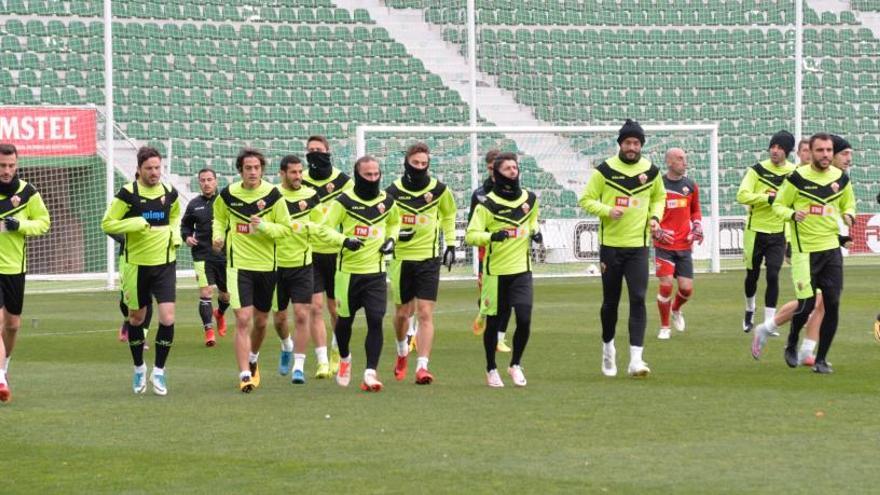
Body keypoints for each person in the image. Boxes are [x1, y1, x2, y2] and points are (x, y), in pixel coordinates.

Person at [752, 134, 854, 365]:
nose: (825, 154)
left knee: (829, 304)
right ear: (809, 152)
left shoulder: (841, 180)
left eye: (829, 150)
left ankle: (817, 357)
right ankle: (787, 339)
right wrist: (791, 216)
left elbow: (846, 205)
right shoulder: (796, 178)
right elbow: (779, 205)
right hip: (803, 251)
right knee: (808, 304)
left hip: (831, 251)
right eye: (820, 150)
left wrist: (849, 218)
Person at [578, 119, 665, 377]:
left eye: (636, 143)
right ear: (620, 144)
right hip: (611, 249)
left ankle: (636, 360)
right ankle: (608, 349)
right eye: (627, 142)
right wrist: (606, 210)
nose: (632, 147)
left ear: (641, 145)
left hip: (638, 247)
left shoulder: (651, 172)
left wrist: (655, 217)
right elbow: (586, 199)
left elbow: (659, 197)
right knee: (611, 303)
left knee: (638, 299)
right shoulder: (604, 171)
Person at [316, 155, 400, 392]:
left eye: (376, 174)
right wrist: (344, 240)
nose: (373, 179)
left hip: (375, 273)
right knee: (344, 322)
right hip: (347, 274)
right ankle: (344, 359)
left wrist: (391, 240)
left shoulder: (388, 201)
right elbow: (324, 229)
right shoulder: (343, 201)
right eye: (368, 175)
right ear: (357, 175)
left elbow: (395, 223)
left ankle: (370, 372)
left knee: (376, 320)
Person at [102, 146, 180, 396]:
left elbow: (176, 215)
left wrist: (175, 235)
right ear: (139, 169)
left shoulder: (170, 192)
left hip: (165, 264)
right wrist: (134, 223)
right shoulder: (127, 193)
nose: (154, 172)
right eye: (149, 168)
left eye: (158, 167)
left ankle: (159, 371)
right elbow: (107, 223)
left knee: (168, 318)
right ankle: (139, 368)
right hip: (137, 266)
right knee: (136, 318)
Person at [212, 148, 292, 392]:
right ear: (240, 170)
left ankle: (253, 359)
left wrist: (265, 227)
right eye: (248, 168)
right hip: (239, 267)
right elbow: (220, 218)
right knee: (243, 319)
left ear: (263, 170)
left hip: (267, 267)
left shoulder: (273, 195)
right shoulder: (227, 195)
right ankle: (244, 374)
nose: (253, 172)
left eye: (257, 168)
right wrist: (218, 236)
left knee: (260, 322)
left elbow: (286, 230)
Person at [466, 152, 540, 387]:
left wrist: (536, 231)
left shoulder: (530, 198)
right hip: (495, 273)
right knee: (495, 323)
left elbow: (531, 221)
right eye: (507, 168)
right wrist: (491, 236)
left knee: (525, 318)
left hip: (522, 270)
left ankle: (515, 364)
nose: (512, 171)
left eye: (514, 167)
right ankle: (491, 367)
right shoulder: (486, 204)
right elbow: (470, 236)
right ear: (497, 174)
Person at [385, 142, 456, 384]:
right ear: (406, 163)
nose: (419, 167)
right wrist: (393, 236)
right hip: (402, 259)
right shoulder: (392, 191)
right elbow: (383, 219)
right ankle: (402, 351)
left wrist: (452, 244)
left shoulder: (439, 190)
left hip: (428, 258)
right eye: (415, 163)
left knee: (425, 313)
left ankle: (422, 367)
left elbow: (448, 214)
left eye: (424, 164)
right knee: (403, 314)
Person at [0, 143, 51, 403]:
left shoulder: (28, 192)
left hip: (14, 268)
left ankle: (4, 368)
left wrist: (20, 225)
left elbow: (43, 223)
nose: (6, 170)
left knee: (12, 325)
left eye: (10, 166)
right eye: (2, 166)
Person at [736, 131, 797, 333]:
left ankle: (769, 323)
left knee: (773, 275)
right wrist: (767, 199)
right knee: (752, 276)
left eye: (780, 148)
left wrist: (789, 237)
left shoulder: (793, 172)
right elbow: (742, 195)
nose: (775, 150)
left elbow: (794, 203)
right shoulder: (756, 170)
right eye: (773, 146)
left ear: (787, 151)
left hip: (778, 234)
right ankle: (749, 309)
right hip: (755, 232)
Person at [301, 136, 353, 374]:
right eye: (310, 150)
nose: (314, 154)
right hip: (311, 252)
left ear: (328, 151)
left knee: (335, 309)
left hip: (337, 253)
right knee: (315, 306)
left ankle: (337, 352)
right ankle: (321, 360)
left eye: (318, 150)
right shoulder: (300, 179)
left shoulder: (343, 181)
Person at [271, 155, 324, 383]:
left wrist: (305, 227)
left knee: (302, 314)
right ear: (282, 173)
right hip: (274, 266)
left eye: (300, 172)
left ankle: (299, 366)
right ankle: (286, 345)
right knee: (280, 319)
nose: (298, 176)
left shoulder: (311, 195)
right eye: (293, 172)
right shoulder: (271, 195)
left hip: (303, 265)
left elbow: (321, 224)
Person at [654, 148, 702, 340]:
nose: (685, 162)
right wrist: (656, 230)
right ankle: (664, 327)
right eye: (680, 159)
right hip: (663, 244)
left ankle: (676, 309)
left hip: (683, 245)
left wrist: (697, 225)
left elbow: (695, 210)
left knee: (686, 289)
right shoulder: (658, 185)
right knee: (666, 286)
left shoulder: (690, 185)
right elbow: (650, 212)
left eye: (685, 159)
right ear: (669, 162)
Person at [468, 150, 512, 352]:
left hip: (511, 250)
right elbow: (472, 225)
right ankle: (483, 311)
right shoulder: (479, 194)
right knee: (490, 296)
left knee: (508, 296)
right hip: (487, 250)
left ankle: (499, 339)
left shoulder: (515, 191)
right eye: (490, 166)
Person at [181, 168, 229, 347]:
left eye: (210, 179)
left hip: (224, 256)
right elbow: (185, 226)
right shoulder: (194, 204)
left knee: (226, 296)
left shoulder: (225, 202)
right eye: (203, 180)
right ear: (199, 182)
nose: (206, 183)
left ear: (216, 181)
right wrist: (186, 237)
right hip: (202, 255)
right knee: (206, 292)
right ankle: (209, 331)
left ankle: (220, 314)